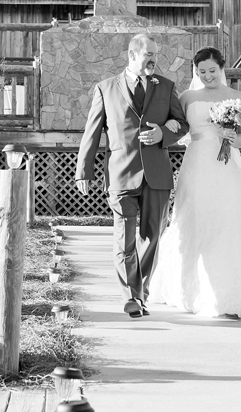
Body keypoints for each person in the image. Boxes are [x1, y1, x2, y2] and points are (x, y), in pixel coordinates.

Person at [148, 46, 241, 319]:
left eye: (212, 70)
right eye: (201, 72)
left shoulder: (238, 97)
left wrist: (235, 140)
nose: (207, 76)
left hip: (227, 169)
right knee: (193, 221)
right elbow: (176, 128)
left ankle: (227, 294)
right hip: (197, 165)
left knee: (225, 223)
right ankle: (192, 290)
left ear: (221, 68)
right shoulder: (187, 96)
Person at [76, 33, 190, 319]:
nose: (153, 59)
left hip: (158, 176)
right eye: (148, 54)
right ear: (132, 55)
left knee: (152, 239)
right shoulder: (105, 89)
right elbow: (91, 132)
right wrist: (83, 171)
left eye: (155, 55)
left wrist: (162, 133)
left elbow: (183, 125)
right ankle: (131, 296)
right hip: (121, 174)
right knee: (124, 239)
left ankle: (142, 294)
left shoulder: (166, 86)